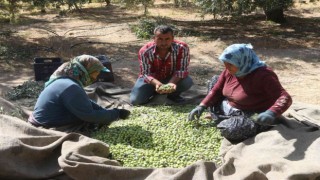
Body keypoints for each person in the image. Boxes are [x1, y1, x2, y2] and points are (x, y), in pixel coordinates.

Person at [188, 44, 292, 143]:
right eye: (225, 63)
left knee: (230, 129)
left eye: (230, 64)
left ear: (242, 61)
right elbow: (217, 89)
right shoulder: (229, 71)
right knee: (215, 80)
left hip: (252, 114)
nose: (226, 67)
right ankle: (221, 117)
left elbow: (285, 97)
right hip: (230, 106)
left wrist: (271, 113)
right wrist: (202, 105)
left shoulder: (263, 75)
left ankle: (252, 125)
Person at [28, 55, 130, 133]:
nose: (95, 78)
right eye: (94, 74)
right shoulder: (71, 87)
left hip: (45, 118)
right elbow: (89, 115)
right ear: (84, 71)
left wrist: (103, 110)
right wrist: (116, 114)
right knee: (88, 123)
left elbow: (84, 101)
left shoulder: (64, 80)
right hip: (47, 125)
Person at [130, 25, 193, 105]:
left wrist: (171, 83)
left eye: (167, 39)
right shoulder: (145, 51)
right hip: (151, 80)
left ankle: (172, 94)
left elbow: (181, 70)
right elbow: (146, 73)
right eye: (160, 39)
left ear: (172, 39)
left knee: (187, 82)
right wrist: (157, 84)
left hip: (171, 77)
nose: (163, 43)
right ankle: (155, 92)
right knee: (135, 101)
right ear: (154, 38)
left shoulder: (182, 48)